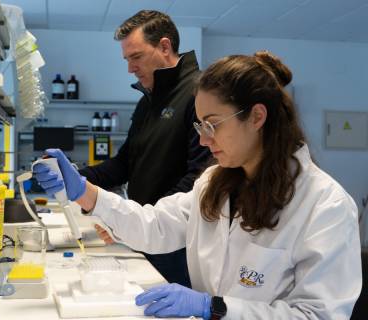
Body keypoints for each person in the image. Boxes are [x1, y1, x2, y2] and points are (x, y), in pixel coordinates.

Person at [33, 50, 362, 319]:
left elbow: (318, 315)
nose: (204, 139)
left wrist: (214, 307)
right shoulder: (213, 183)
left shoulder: (324, 205)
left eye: (213, 125)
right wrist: (83, 192)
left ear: (257, 117)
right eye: (200, 125)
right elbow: (156, 225)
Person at [78, 10, 211, 287]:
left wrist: (142, 222)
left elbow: (200, 177)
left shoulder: (200, 94)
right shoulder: (147, 102)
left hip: (178, 242)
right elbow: (124, 164)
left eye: (136, 57)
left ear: (164, 46)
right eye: (127, 60)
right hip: (146, 235)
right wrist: (75, 177)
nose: (130, 68)